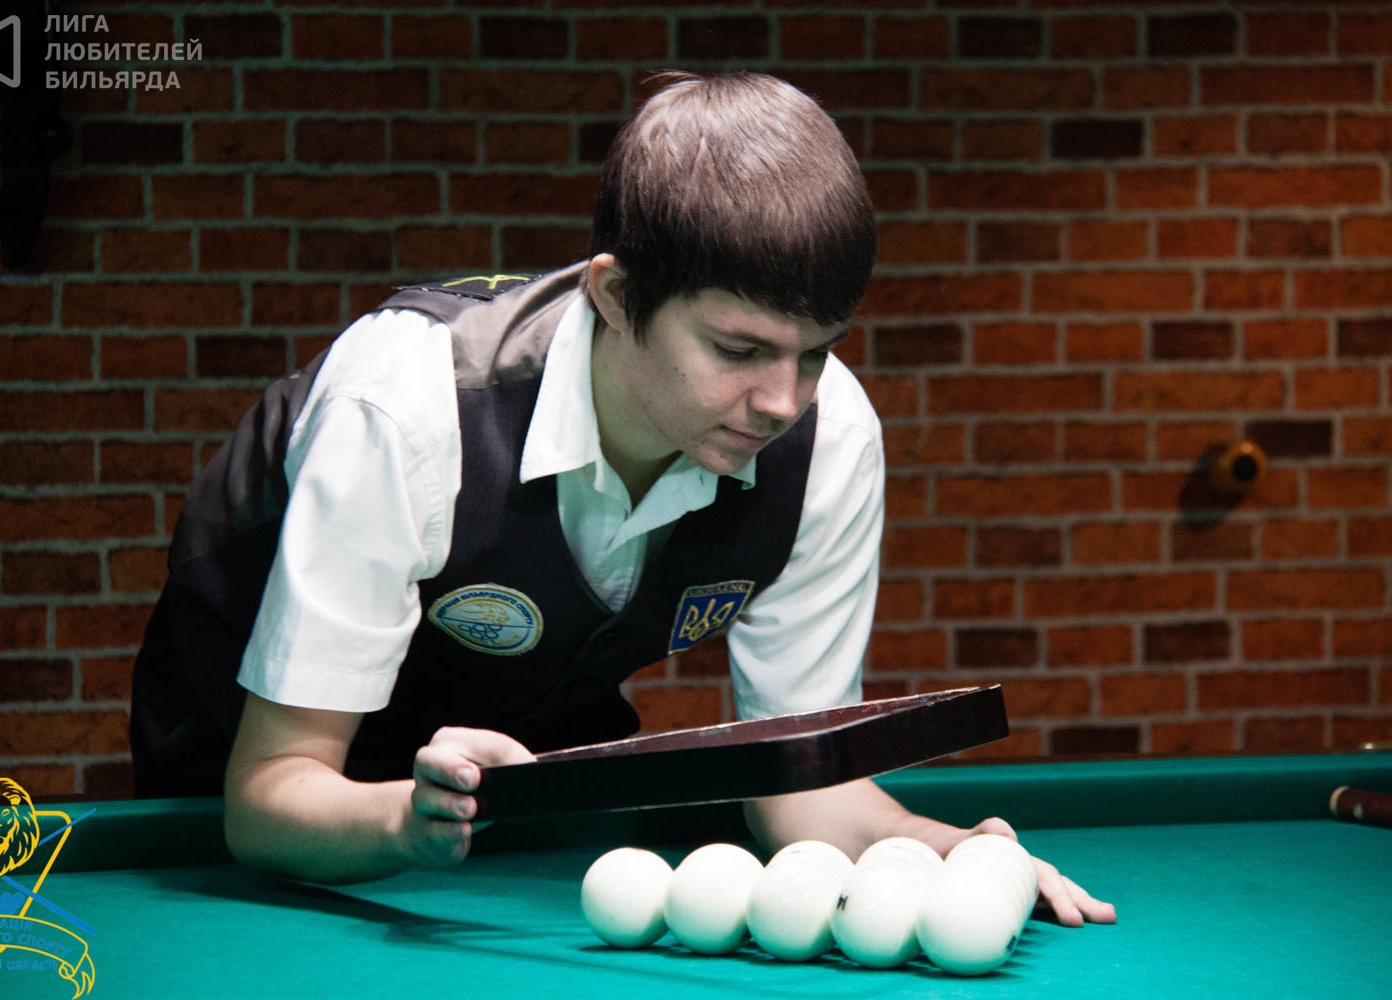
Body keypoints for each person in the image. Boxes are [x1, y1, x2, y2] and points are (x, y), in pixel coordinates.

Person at [130, 72, 1114, 926]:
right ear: (613, 294)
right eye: (738, 349)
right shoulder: (408, 408)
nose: (783, 401)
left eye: (815, 352)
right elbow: (268, 796)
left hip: (518, 777)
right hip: (252, 786)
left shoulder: (831, 438)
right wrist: (406, 816)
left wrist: (937, 854)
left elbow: (804, 798)